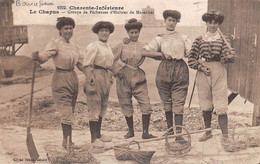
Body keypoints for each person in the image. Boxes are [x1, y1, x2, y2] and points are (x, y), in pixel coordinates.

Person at [32, 17, 83, 148]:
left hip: (73, 78)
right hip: (60, 78)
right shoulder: (55, 44)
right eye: (66, 28)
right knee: (66, 112)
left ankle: (68, 141)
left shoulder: (75, 46)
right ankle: (67, 143)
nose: (68, 31)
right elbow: (44, 57)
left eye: (71, 28)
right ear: (60, 30)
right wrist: (37, 57)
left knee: (70, 111)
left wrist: (92, 75)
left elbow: (81, 65)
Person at [143, 10, 191, 142]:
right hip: (164, 70)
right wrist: (160, 55)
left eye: (174, 20)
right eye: (169, 20)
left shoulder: (183, 37)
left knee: (178, 103)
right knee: (167, 102)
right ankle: (170, 131)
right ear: (165, 21)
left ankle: (179, 135)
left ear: (177, 22)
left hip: (180, 69)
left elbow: (191, 52)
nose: (171, 22)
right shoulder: (159, 38)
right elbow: (144, 51)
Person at [188, 10, 235, 143]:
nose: (213, 25)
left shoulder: (223, 39)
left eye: (215, 22)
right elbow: (191, 59)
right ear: (206, 23)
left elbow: (227, 56)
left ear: (218, 24)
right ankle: (208, 132)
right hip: (203, 71)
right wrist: (201, 67)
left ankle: (225, 136)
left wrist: (230, 56)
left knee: (221, 102)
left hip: (218, 70)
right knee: (205, 101)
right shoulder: (199, 39)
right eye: (210, 22)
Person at [112, 18, 158, 139]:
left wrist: (160, 40)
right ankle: (130, 131)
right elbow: (110, 59)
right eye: (131, 32)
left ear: (139, 32)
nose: (134, 35)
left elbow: (155, 53)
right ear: (128, 33)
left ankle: (145, 132)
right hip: (124, 76)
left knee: (146, 104)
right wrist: (116, 70)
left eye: (136, 32)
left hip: (138, 75)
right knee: (126, 103)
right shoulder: (122, 45)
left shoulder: (143, 46)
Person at [82, 21, 115, 148]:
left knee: (103, 106)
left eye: (107, 31)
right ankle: (93, 138)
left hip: (105, 76)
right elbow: (86, 64)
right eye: (102, 31)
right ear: (97, 32)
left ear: (109, 33)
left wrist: (110, 76)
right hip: (95, 75)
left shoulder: (108, 46)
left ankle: (99, 134)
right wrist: (90, 80)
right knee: (94, 106)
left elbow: (109, 63)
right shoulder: (94, 46)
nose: (104, 33)